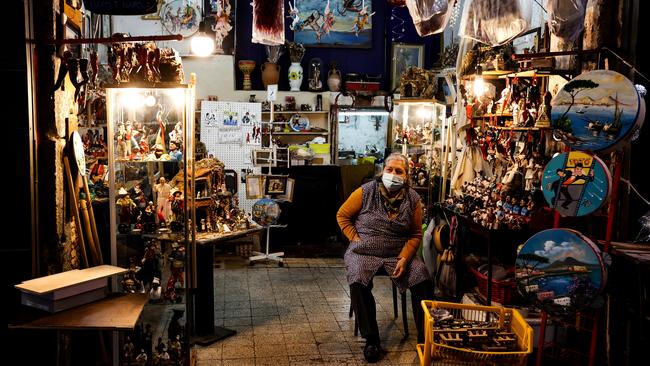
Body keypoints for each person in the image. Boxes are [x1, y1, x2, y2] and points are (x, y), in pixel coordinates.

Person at [336, 153, 433, 363]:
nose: (393, 174)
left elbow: (416, 234)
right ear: (383, 171)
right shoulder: (366, 192)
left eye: (399, 171)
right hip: (363, 252)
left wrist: (405, 258)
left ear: (407, 175)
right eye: (390, 170)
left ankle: (426, 338)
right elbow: (342, 215)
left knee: (422, 275)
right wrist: (354, 238)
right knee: (358, 278)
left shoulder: (413, 199)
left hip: (396, 254)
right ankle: (372, 340)